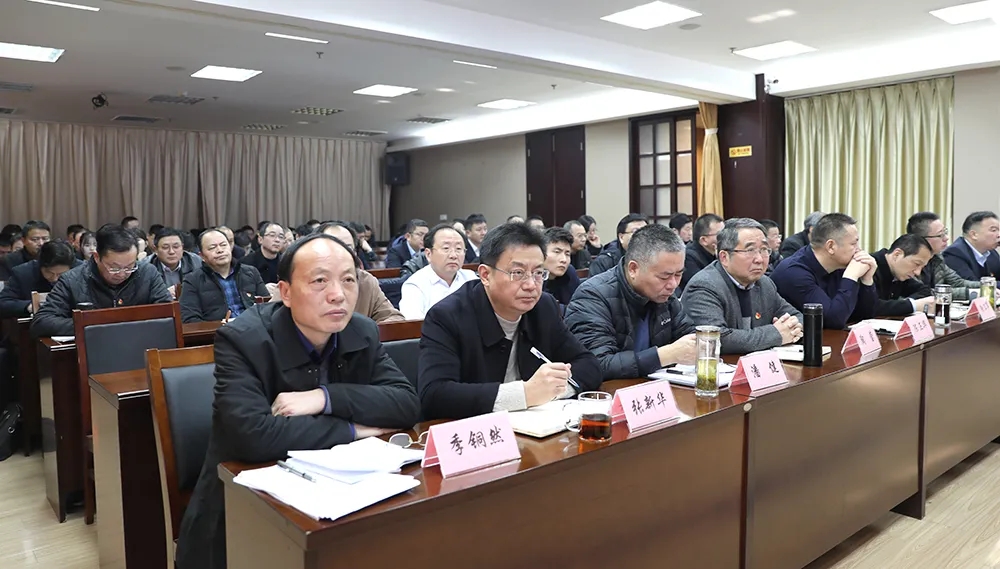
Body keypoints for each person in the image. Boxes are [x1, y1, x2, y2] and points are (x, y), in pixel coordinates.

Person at [174, 233, 420, 569]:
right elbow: (251, 435)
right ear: (286, 293)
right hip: (241, 515)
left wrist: (324, 398)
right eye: (320, 281)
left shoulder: (361, 330)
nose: (338, 294)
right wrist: (351, 430)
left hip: (340, 502)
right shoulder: (244, 338)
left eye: (348, 280)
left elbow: (406, 404)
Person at [418, 223, 601, 420]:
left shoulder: (543, 307)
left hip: (535, 426)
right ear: (485, 275)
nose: (531, 285)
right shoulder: (446, 316)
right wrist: (526, 394)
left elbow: (589, 364)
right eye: (518, 273)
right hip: (480, 431)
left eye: (538, 273)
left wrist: (551, 390)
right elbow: (434, 395)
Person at [565, 224, 697, 380]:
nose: (673, 284)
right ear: (633, 269)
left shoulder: (665, 296)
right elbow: (597, 364)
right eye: (664, 277)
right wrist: (665, 355)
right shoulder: (592, 296)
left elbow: (689, 334)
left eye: (678, 274)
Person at [682, 219, 803, 354]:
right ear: (724, 257)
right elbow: (717, 338)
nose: (759, 259)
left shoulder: (764, 283)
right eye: (750, 250)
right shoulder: (704, 286)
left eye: (764, 250)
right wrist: (776, 334)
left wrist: (791, 327)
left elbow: (797, 317)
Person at [31, 224, 172, 337]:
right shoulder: (72, 280)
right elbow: (42, 322)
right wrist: (94, 324)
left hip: (141, 346)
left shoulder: (147, 272)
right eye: (114, 268)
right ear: (97, 257)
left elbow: (169, 313)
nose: (122, 274)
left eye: (130, 267)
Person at [770, 213, 878, 329]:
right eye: (853, 244)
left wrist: (867, 280)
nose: (858, 249)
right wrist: (850, 277)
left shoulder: (839, 265)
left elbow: (864, 315)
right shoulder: (794, 273)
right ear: (831, 246)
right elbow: (833, 321)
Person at [318, 222, 405, 323]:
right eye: (332, 248)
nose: (341, 253)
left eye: (348, 248)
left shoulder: (365, 280)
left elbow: (393, 318)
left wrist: (364, 330)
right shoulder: (305, 280)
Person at [179, 229, 269, 323]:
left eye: (223, 245)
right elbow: (189, 320)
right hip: (218, 330)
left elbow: (268, 306)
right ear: (201, 256)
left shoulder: (251, 272)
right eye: (212, 247)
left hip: (254, 327)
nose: (220, 250)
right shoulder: (192, 280)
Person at [399, 224, 478, 320]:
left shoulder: (471, 278)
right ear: (428, 254)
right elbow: (414, 324)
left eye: (458, 249)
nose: (453, 255)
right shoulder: (415, 285)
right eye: (446, 248)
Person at [906, 212, 979, 300]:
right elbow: (924, 293)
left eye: (945, 232)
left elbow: (958, 282)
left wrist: (987, 286)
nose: (946, 238)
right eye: (940, 235)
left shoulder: (937, 258)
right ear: (922, 239)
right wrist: (972, 293)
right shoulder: (909, 261)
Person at [0, 241, 79, 319]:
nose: (55, 279)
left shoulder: (80, 270)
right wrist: (30, 306)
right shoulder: (23, 273)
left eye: (61, 274)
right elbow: (3, 302)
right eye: (49, 273)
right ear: (40, 266)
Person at [871, 234, 935, 317]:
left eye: (922, 267)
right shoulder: (869, 266)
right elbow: (870, 306)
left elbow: (924, 290)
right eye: (917, 264)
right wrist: (912, 305)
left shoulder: (899, 273)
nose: (918, 272)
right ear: (897, 255)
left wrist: (908, 303)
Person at [145, 227, 203, 299]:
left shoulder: (196, 262)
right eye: (165, 247)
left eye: (176, 247)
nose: (171, 252)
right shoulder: (146, 267)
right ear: (155, 249)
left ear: (182, 247)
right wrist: (163, 294)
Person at [943, 211, 1000, 281]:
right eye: (994, 230)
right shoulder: (954, 253)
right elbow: (970, 283)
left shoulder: (992, 254)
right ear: (974, 235)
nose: (999, 235)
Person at [679, 213, 724, 294]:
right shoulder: (688, 257)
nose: (725, 237)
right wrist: (720, 260)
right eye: (720, 234)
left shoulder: (715, 252)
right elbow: (706, 285)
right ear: (704, 240)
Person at [542, 227, 581, 306]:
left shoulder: (570, 273)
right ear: (541, 253)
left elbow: (578, 305)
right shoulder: (532, 278)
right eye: (557, 252)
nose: (564, 260)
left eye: (567, 254)